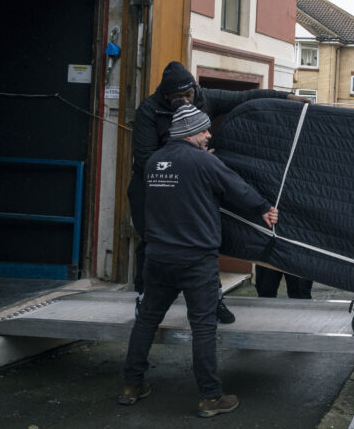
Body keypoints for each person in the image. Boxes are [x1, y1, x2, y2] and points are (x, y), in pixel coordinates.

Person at [119, 104, 280, 417]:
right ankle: (210, 397)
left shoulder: (154, 162)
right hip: (196, 259)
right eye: (204, 130)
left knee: (147, 319)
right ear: (190, 132)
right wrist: (263, 208)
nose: (208, 135)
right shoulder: (205, 162)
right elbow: (237, 187)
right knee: (203, 327)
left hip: (158, 257)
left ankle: (131, 385)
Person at [128, 61, 306, 323]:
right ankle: (144, 298)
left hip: (190, 185)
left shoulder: (204, 97)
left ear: (194, 90)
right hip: (154, 185)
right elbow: (146, 159)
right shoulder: (148, 111)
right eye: (177, 99)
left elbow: (246, 97)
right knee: (152, 240)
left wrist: (287, 97)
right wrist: (193, 161)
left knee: (204, 240)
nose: (185, 102)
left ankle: (215, 300)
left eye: (188, 95)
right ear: (165, 97)